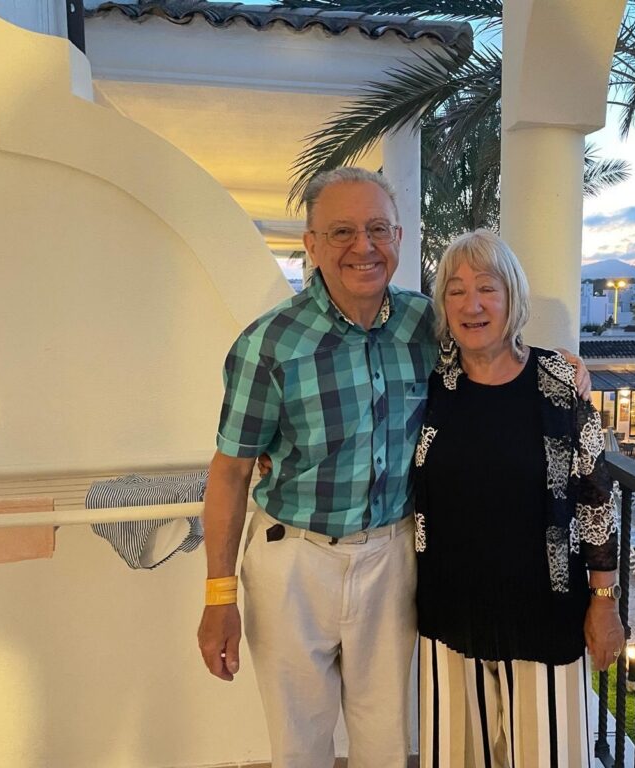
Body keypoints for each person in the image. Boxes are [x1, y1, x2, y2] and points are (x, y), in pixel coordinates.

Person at [198, 168, 591, 768]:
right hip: (293, 561)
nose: (364, 246)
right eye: (342, 231)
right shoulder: (268, 346)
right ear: (311, 244)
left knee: (386, 742)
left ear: (400, 238)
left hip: (391, 557)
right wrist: (218, 593)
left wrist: (559, 364)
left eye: (378, 229)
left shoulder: (424, 327)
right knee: (298, 744)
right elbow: (229, 473)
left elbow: (491, 341)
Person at [412, 230, 624, 765]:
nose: (472, 304)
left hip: (545, 613)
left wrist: (603, 602)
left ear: (513, 298)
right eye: (455, 291)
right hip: (450, 611)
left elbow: (595, 499)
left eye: (487, 288)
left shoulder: (558, 381)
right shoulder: (430, 382)